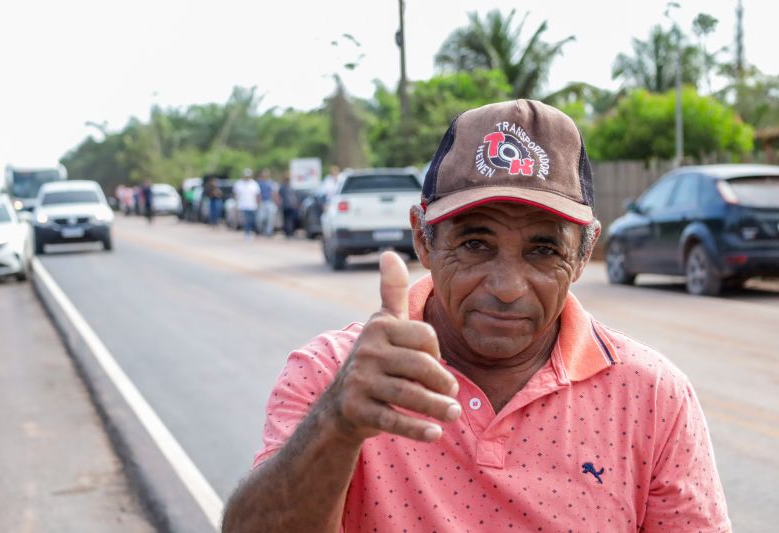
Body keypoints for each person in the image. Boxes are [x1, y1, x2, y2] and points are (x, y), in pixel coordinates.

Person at [222, 100, 730, 532]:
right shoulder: (333, 374)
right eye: (474, 243)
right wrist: (336, 423)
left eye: (542, 251)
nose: (507, 288)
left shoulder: (652, 397)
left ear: (583, 253)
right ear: (423, 237)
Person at [233, 168, 260, 239]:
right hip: (243, 205)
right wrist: (236, 204)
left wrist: (258, 204)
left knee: (252, 220)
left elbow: (257, 195)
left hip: (252, 205)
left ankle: (251, 231)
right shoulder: (239, 184)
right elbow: (236, 195)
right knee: (246, 220)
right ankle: (247, 233)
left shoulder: (254, 184)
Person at [256, 169, 278, 236]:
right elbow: (257, 193)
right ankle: (261, 230)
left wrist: (276, 201)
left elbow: (274, 193)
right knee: (261, 218)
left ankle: (269, 231)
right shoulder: (259, 183)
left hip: (270, 202)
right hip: (262, 202)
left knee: (270, 218)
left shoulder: (271, 182)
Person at [278, 172, 299, 238]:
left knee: (287, 220)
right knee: (289, 220)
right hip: (290, 205)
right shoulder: (291, 187)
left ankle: (288, 233)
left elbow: (280, 196)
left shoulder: (283, 187)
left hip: (286, 205)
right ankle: (289, 232)